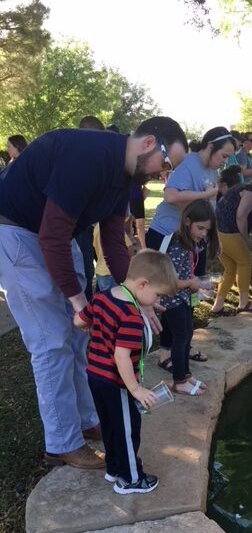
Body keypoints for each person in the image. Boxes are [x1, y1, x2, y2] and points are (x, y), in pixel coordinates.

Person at [0, 116, 188, 469]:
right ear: (149, 143)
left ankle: (88, 422)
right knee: (51, 343)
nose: (164, 175)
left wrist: (136, 299)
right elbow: (51, 236)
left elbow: (114, 243)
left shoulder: (124, 175)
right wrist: (80, 302)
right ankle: (61, 443)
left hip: (56, 237)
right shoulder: (88, 157)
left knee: (79, 337)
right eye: (165, 164)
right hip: (15, 233)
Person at [73, 250, 177, 493]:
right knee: (128, 430)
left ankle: (113, 468)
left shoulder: (102, 297)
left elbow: (79, 321)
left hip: (95, 375)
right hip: (117, 382)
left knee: (109, 425)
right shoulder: (130, 315)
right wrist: (135, 389)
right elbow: (121, 357)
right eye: (157, 294)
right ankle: (131, 479)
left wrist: (96, 329)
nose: (156, 300)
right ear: (143, 284)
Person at [146, 127, 234, 369]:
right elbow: (171, 196)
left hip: (193, 240)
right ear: (210, 146)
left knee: (190, 293)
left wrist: (215, 239)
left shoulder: (211, 170)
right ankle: (166, 354)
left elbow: (209, 207)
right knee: (172, 295)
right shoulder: (188, 164)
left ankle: (183, 345)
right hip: (168, 238)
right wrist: (204, 194)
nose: (224, 162)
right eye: (223, 156)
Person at [160, 200, 220, 396]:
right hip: (173, 299)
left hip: (184, 297)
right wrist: (192, 283)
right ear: (187, 221)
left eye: (206, 230)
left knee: (188, 335)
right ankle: (178, 381)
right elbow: (171, 281)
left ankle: (185, 374)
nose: (203, 233)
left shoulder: (190, 243)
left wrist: (197, 283)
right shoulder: (177, 245)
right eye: (200, 228)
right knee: (181, 337)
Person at [211, 180, 252, 315]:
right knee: (245, 261)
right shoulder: (251, 193)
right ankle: (244, 303)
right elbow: (240, 217)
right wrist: (247, 240)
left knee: (230, 269)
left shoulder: (240, 188)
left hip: (217, 233)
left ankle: (217, 306)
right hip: (228, 233)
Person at [77, 115, 107, 300]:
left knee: (96, 267)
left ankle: (94, 306)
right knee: (84, 268)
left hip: (94, 225)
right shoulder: (74, 159)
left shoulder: (97, 160)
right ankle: (85, 309)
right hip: (77, 226)